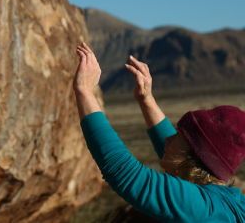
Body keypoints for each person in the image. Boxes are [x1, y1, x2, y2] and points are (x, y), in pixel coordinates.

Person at [73, 41, 245, 222]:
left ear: (195, 155)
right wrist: (146, 99)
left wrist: (84, 91)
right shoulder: (230, 202)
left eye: (179, 135)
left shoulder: (203, 210)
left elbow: (125, 174)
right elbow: (175, 150)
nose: (169, 139)